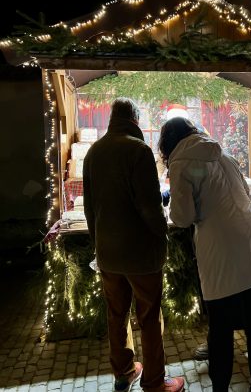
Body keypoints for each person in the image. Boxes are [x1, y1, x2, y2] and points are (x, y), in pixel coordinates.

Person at [158, 117, 251, 392]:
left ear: (168, 144)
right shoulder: (222, 152)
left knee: (220, 328)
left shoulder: (181, 162)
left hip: (220, 251)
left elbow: (182, 217)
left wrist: (170, 206)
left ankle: (220, 389)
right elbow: (247, 196)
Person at [83, 98, 184, 392]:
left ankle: (124, 371)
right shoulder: (138, 151)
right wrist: (162, 236)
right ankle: (154, 381)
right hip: (140, 254)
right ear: (135, 119)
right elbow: (150, 207)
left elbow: (90, 209)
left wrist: (98, 243)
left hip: (108, 253)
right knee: (149, 317)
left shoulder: (93, 152)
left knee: (116, 315)